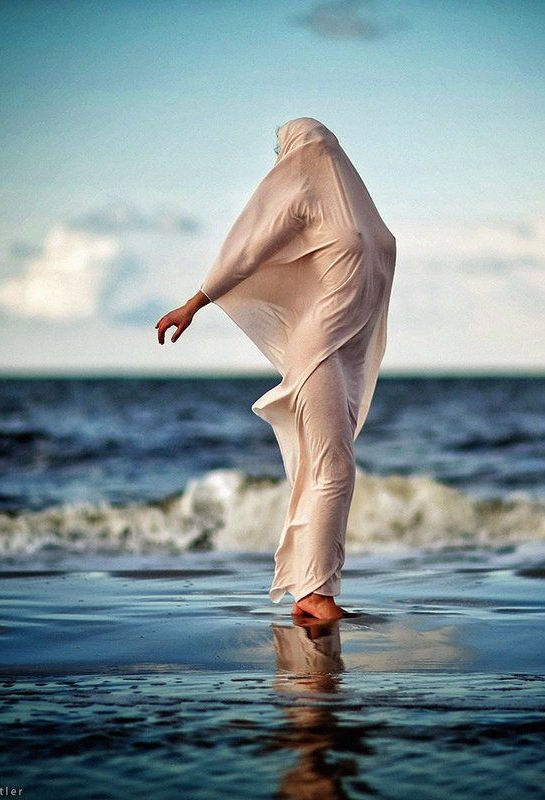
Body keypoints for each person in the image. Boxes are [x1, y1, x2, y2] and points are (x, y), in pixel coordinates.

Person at [155, 117, 395, 620]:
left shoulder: (358, 206)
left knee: (325, 469)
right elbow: (248, 248)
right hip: (318, 348)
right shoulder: (302, 193)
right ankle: (316, 594)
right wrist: (194, 304)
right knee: (334, 468)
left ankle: (309, 591)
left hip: (349, 350)